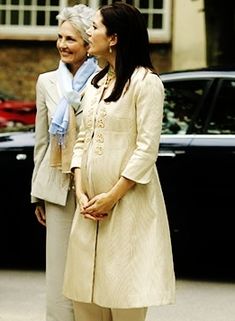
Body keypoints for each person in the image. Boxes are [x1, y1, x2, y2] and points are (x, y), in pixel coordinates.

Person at [63, 2, 175, 321]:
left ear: (113, 38)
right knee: (84, 301)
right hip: (88, 210)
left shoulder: (146, 83)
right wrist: (82, 193)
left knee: (125, 296)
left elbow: (146, 149)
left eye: (95, 27)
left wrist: (112, 197)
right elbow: (82, 141)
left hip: (128, 208)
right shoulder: (95, 84)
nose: (88, 32)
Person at [30, 4, 98, 321]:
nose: (62, 45)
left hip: (93, 187)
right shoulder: (46, 82)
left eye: (70, 39)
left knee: (88, 268)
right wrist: (37, 195)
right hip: (56, 187)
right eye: (59, 37)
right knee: (57, 273)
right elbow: (41, 141)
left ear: (88, 43)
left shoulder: (104, 81)